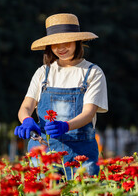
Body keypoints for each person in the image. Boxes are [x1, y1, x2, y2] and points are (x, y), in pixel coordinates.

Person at [14, 13, 108, 179]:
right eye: (55, 44)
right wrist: (27, 120)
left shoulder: (92, 72)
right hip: (43, 149)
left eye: (67, 42)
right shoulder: (43, 72)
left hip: (81, 151)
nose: (61, 48)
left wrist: (65, 126)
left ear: (77, 41)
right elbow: (26, 106)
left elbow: (89, 113)